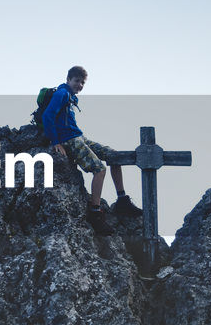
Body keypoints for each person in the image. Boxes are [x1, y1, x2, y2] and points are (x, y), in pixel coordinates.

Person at [42, 66, 141, 235]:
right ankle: (95, 213)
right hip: (69, 139)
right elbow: (47, 115)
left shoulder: (71, 97)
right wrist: (56, 142)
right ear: (68, 79)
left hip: (79, 136)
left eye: (82, 82)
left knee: (114, 156)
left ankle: (122, 200)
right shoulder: (62, 93)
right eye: (76, 81)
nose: (79, 85)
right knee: (99, 169)